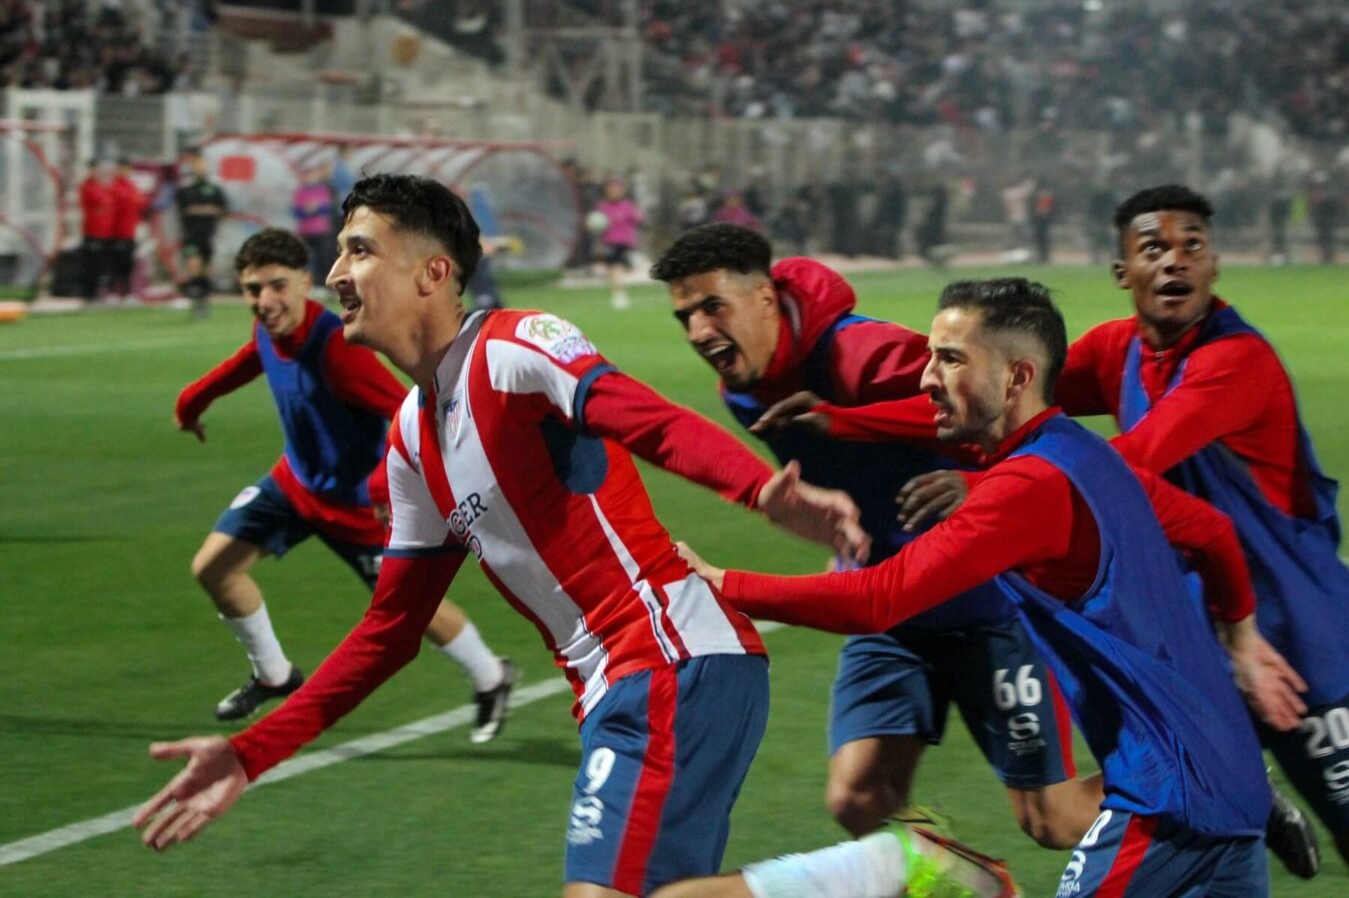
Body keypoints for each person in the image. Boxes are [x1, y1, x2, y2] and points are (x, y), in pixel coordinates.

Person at [135, 173, 874, 898]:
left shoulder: (514, 346)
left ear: (433, 273)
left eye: (359, 250)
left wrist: (760, 492)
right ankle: (884, 871)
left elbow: (642, 416)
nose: (334, 275)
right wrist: (250, 754)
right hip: (615, 689)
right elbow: (389, 631)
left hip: (671, 657)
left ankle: (883, 870)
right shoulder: (411, 440)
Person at [782, 186, 1349, 897]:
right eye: (1154, 248)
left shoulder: (1236, 361)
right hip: (1195, 636)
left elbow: (1114, 467)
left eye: (1192, 245)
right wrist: (845, 420)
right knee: (1144, 809)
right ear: (1122, 271)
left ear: (1215, 263)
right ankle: (1245, 802)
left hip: (1298, 633)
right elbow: (1005, 398)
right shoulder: (1119, 351)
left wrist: (990, 490)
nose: (1175, 261)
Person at [678, 277, 1310, 897]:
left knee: (1051, 817)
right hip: (1221, 779)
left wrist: (723, 584)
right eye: (931, 356)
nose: (926, 378)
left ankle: (943, 876)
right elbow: (1210, 531)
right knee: (865, 794)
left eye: (951, 360)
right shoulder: (1087, 456)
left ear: (1016, 378)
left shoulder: (1026, 489)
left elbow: (878, 598)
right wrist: (1242, 640)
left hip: (1168, 799)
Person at [650, 224, 1098, 852]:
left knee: (1055, 820)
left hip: (991, 605)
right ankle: (972, 884)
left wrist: (972, 482)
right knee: (857, 799)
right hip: (889, 609)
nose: (699, 331)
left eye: (712, 307)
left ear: (765, 299)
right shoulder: (744, 390)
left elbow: (995, 407)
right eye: (686, 317)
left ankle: (1193, 780)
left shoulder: (862, 352)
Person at [172, 227, 515, 736]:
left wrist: (379, 487)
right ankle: (274, 675)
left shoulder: (337, 348)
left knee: (412, 612)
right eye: (253, 289)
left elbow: (409, 410)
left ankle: (491, 676)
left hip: (356, 506)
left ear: (304, 281)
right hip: (295, 485)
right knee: (214, 569)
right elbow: (251, 360)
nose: (265, 301)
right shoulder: (271, 328)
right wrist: (192, 402)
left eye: (277, 286)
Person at [176, 147, 229, 318]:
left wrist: (203, 210)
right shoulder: (185, 188)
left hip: (209, 235)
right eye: (196, 163)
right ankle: (196, 299)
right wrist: (207, 209)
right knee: (194, 265)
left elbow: (222, 209)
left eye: (202, 163)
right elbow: (185, 209)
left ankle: (203, 301)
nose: (200, 166)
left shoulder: (214, 188)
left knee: (206, 269)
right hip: (191, 235)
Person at [595, 177, 646, 310]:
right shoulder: (603, 207)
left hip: (625, 242)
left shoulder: (627, 206)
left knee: (618, 268)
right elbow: (597, 223)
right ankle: (618, 293)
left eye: (617, 190)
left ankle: (619, 294)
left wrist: (638, 215)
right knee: (613, 269)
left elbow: (638, 219)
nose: (614, 192)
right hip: (610, 242)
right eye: (612, 190)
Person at [291, 165, 337, 292]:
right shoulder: (300, 192)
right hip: (305, 231)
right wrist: (306, 211)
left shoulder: (322, 190)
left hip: (321, 231)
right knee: (306, 259)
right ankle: (308, 285)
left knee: (322, 258)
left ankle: (322, 285)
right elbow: (296, 212)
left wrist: (316, 209)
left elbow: (328, 208)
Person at [78, 158, 116, 302]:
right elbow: (103, 202)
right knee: (92, 264)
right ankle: (90, 294)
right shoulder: (88, 186)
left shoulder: (102, 186)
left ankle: (100, 293)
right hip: (92, 231)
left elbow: (110, 204)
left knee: (102, 264)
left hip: (105, 232)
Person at [108, 158, 144, 301]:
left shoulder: (131, 186)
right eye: (121, 168)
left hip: (130, 231)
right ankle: (113, 292)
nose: (124, 171)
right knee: (114, 263)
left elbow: (139, 203)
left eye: (126, 168)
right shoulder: (113, 186)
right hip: (115, 232)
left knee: (128, 263)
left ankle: (128, 292)